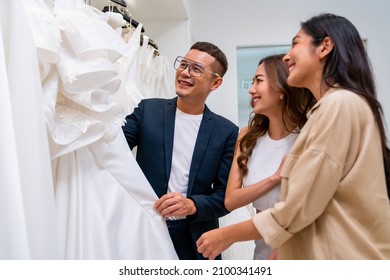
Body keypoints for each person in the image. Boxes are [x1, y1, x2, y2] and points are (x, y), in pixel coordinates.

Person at [196, 13, 390, 260]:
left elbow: (301, 206)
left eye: (296, 43)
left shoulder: (339, 104)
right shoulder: (333, 107)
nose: (287, 56)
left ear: (325, 47)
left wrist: (227, 234)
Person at [122, 41, 238, 260]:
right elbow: (113, 149)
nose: (185, 73)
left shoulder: (227, 132)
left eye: (196, 69)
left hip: (195, 240)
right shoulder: (147, 110)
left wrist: (191, 205)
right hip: (144, 230)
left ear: (215, 83)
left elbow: (226, 197)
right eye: (183, 64)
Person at [224, 54, 315, 259]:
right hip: (263, 254)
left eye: (259, 81)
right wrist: (274, 178)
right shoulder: (247, 136)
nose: (251, 88)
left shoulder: (310, 136)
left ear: (281, 87)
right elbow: (231, 200)